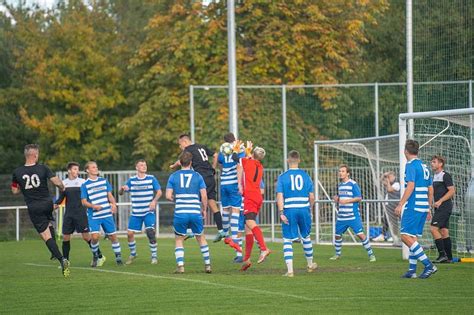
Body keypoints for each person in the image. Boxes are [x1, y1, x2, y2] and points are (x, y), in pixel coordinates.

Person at [11, 144, 70, 277]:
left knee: (45, 236)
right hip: (47, 203)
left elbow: (14, 191)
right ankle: (53, 253)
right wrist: (62, 187)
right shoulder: (43, 168)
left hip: (34, 206)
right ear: (35, 155)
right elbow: (56, 181)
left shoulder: (17, 172)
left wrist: (23, 186)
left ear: (26, 155)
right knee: (48, 223)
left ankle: (62, 259)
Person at [170, 134, 225, 242]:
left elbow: (181, 161)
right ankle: (221, 231)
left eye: (180, 145)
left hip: (201, 178)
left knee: (193, 202)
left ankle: (190, 231)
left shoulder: (188, 149)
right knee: (213, 204)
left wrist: (173, 166)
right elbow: (215, 155)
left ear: (185, 142)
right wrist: (213, 168)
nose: (180, 147)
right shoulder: (201, 146)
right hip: (210, 177)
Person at [395, 140, 437, 279]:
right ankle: (412, 270)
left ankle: (428, 265)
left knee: (405, 236)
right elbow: (430, 189)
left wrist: (401, 204)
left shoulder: (411, 165)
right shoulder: (424, 166)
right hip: (423, 206)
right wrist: (429, 208)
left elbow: (410, 186)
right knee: (412, 237)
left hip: (413, 206)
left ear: (405, 151)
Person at [166, 151, 212, 274]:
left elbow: (168, 196)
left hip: (181, 212)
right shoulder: (198, 176)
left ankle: (180, 266)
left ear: (180, 162)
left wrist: (176, 197)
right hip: (195, 211)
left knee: (179, 239)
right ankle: (207, 265)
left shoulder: (173, 176)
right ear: (191, 162)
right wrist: (204, 209)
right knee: (201, 238)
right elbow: (204, 196)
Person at [276, 150, 318, 277]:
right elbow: (311, 197)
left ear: (288, 160)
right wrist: (310, 209)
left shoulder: (282, 177)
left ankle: (290, 271)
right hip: (304, 209)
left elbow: (280, 196)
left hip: (289, 209)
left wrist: (281, 212)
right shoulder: (306, 176)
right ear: (299, 160)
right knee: (306, 236)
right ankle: (310, 265)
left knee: (287, 239)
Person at [55, 162, 105, 266]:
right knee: (65, 237)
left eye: (77, 169)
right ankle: (66, 262)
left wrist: (95, 206)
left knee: (86, 237)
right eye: (74, 169)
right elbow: (61, 198)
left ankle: (100, 256)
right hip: (69, 214)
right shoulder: (64, 183)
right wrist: (54, 205)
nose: (76, 171)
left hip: (81, 214)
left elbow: (89, 196)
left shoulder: (83, 182)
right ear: (69, 170)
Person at [232, 140, 271, 271]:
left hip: (250, 196)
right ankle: (246, 259)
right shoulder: (259, 166)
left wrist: (236, 149)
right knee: (248, 228)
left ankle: (264, 248)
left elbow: (234, 158)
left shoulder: (247, 162)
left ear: (252, 155)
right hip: (257, 196)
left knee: (250, 223)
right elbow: (249, 160)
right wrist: (249, 151)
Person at [119, 159, 162, 265]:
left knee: (150, 232)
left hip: (148, 211)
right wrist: (122, 189)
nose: (144, 166)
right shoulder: (132, 180)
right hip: (136, 213)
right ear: (136, 168)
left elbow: (159, 192)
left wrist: (154, 201)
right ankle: (133, 254)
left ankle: (154, 256)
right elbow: (121, 193)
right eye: (141, 165)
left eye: (145, 165)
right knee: (129, 234)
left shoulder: (151, 178)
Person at [330, 164, 376, 262]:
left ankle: (371, 254)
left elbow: (359, 198)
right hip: (342, 216)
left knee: (360, 234)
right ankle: (337, 254)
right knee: (337, 235)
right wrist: (337, 199)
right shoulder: (340, 185)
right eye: (339, 171)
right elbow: (341, 198)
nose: (340, 173)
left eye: (342, 171)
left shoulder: (353, 184)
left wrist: (346, 201)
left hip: (352, 216)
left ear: (348, 173)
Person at [81, 161, 123, 266]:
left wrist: (113, 204)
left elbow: (109, 195)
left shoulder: (104, 181)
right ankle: (95, 255)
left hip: (106, 214)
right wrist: (93, 206)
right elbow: (84, 201)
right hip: (94, 216)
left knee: (113, 236)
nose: (96, 169)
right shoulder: (85, 185)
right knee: (95, 237)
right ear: (87, 170)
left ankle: (118, 258)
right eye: (93, 167)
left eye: (96, 167)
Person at [217, 132, 244, 254]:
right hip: (234, 184)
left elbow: (220, 164)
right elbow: (240, 166)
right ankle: (235, 242)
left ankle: (225, 234)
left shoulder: (222, 151)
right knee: (236, 213)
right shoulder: (239, 150)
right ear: (234, 139)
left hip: (223, 183)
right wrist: (239, 183)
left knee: (226, 211)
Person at [430, 155, 455, 263]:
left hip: (444, 206)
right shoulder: (434, 176)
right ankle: (449, 257)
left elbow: (452, 191)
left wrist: (440, 201)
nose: (432, 163)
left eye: (434, 162)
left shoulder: (445, 175)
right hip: (439, 207)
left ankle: (442, 255)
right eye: (431, 162)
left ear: (440, 164)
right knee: (444, 231)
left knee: (433, 228)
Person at [373, 171, 401, 243]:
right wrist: (383, 175)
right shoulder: (389, 183)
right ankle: (382, 235)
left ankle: (395, 236)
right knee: (385, 221)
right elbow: (379, 181)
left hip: (394, 205)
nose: (389, 178)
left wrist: (387, 181)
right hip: (388, 205)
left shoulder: (397, 184)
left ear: (394, 177)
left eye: (390, 177)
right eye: (388, 177)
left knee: (393, 221)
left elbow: (389, 189)